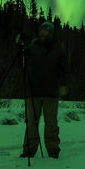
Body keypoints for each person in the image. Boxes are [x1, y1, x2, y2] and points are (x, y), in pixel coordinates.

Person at [21, 21, 69, 159]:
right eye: (42, 30)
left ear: (51, 33)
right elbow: (21, 59)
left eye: (47, 30)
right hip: (33, 92)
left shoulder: (59, 48)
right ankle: (29, 150)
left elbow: (64, 69)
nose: (44, 33)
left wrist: (63, 85)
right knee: (31, 123)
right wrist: (19, 45)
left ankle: (53, 150)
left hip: (51, 93)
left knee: (51, 124)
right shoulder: (32, 46)